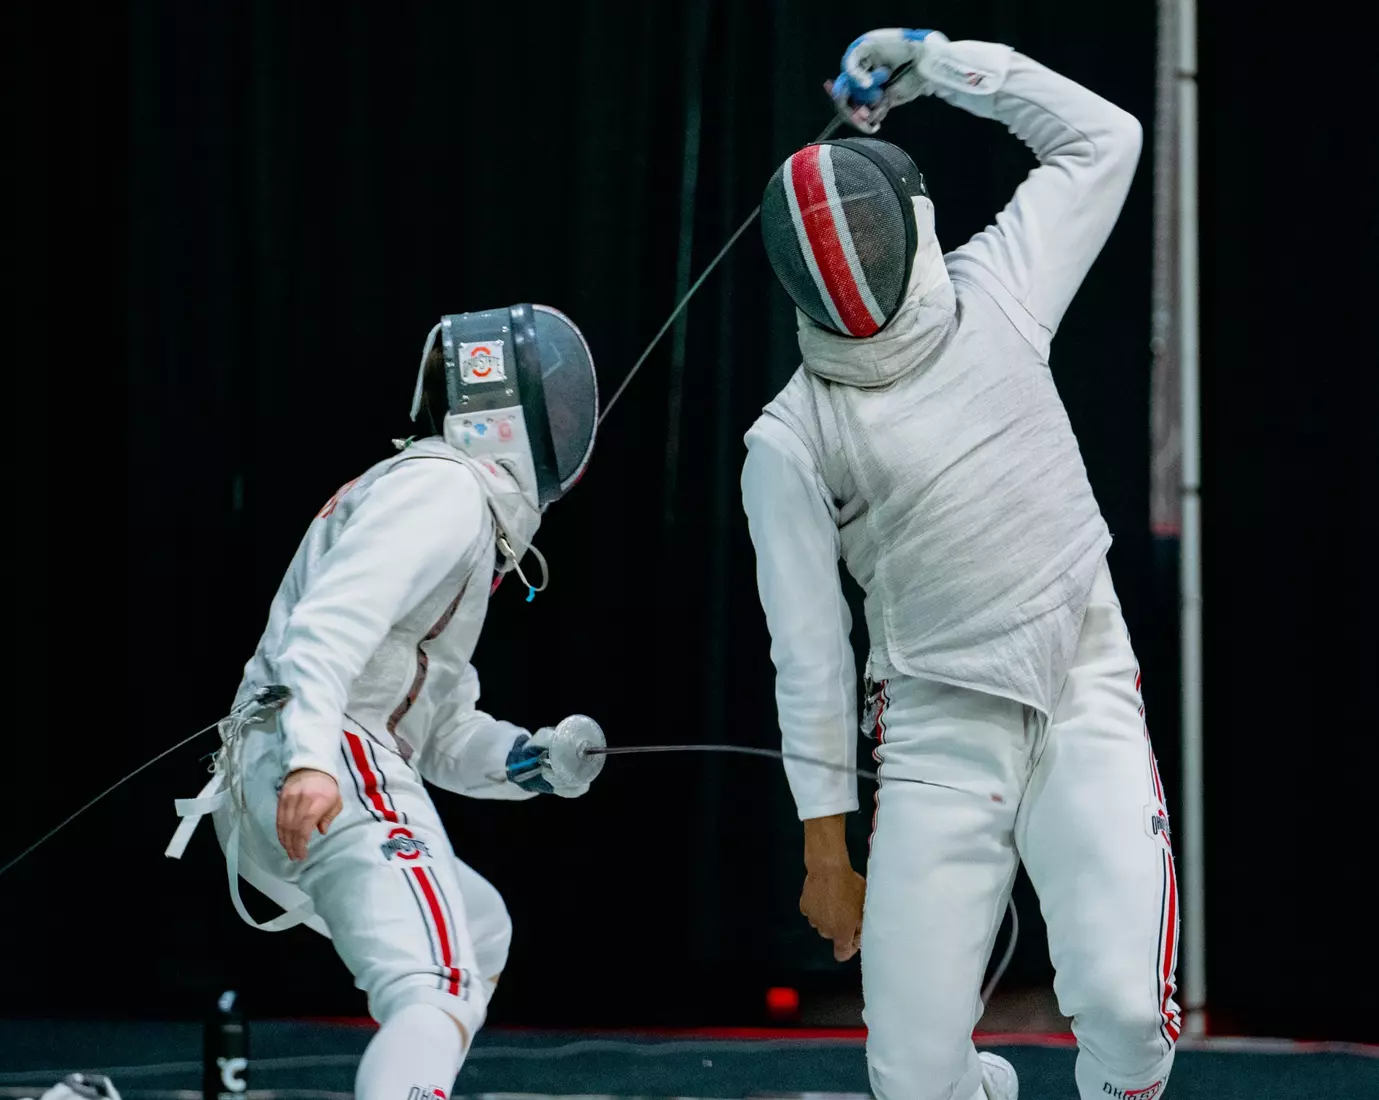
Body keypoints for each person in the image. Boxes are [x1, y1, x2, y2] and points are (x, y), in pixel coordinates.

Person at [743, 27, 1176, 1100]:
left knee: (1125, 1011)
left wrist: (941, 60)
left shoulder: (999, 288)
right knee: (912, 1076)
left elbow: (1102, 140)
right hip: (935, 722)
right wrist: (824, 851)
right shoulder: (790, 436)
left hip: (1078, 678)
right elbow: (807, 656)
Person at [167, 304, 602, 1100]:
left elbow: (434, 726)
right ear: (511, 414)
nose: (571, 423)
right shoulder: (444, 491)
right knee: (434, 982)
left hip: (299, 765)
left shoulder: (447, 500)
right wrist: (309, 759)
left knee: (477, 929)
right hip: (327, 760)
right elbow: (327, 626)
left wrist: (529, 761)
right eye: (560, 404)